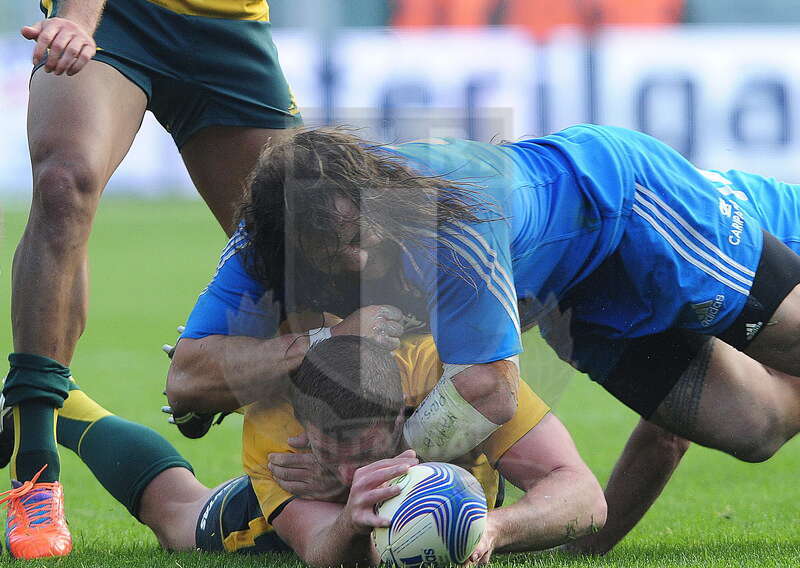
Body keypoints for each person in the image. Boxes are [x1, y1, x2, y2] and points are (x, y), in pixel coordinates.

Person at [167, 125, 800, 496]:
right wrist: (322, 345)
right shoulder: (260, 245)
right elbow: (187, 378)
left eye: (364, 234)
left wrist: (372, 470)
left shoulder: (450, 221)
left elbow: (489, 390)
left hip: (628, 206)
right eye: (334, 251)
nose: (358, 259)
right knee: (755, 430)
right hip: (570, 296)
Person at [4, 0, 301, 558]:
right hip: (114, 17)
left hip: (227, 23)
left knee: (300, 243)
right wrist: (78, 20)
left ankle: (169, 388)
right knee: (64, 183)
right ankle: (35, 468)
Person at [1, 336, 605, 565]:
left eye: (364, 444)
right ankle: (65, 405)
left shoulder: (466, 379)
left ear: (404, 413)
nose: (347, 467)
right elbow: (320, 549)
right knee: (177, 512)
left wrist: (493, 528)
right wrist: (347, 516)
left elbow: (583, 494)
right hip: (281, 521)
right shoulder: (273, 423)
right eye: (332, 448)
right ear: (305, 429)